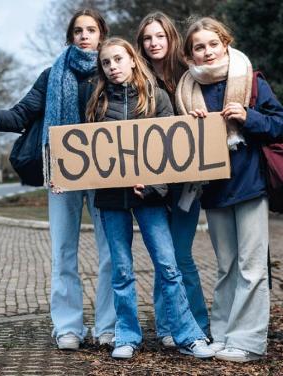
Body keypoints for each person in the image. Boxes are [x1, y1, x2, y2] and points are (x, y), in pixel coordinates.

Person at [0, 9, 116, 350]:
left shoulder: (114, 72)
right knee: (63, 252)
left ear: (102, 35)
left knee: (111, 252)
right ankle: (68, 327)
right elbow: (21, 113)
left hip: (107, 174)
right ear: (70, 36)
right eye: (78, 30)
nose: (84, 35)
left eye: (91, 29)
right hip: (62, 172)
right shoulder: (53, 75)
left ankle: (107, 325)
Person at [87, 37, 214, 360]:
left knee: (169, 267)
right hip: (112, 201)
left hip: (152, 199)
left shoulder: (156, 98)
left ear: (132, 60)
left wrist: (156, 188)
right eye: (106, 62)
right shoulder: (97, 103)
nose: (113, 67)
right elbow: (89, 156)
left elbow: (172, 153)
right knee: (122, 271)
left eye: (118, 59)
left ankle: (187, 334)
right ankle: (127, 335)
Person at [176, 17, 283, 362]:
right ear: (190, 54)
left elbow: (278, 124)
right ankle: (222, 335)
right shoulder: (186, 90)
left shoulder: (251, 81)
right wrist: (187, 126)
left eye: (212, 44)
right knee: (226, 266)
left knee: (252, 266)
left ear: (225, 43)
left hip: (250, 184)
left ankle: (249, 342)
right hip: (213, 188)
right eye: (199, 47)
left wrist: (249, 117)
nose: (207, 52)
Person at [136, 12, 209, 348]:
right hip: (152, 186)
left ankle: (198, 323)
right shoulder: (137, 81)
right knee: (162, 257)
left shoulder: (190, 76)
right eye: (148, 38)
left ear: (171, 38)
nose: (154, 43)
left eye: (160, 36)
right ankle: (166, 325)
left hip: (186, 185)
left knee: (181, 255)